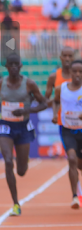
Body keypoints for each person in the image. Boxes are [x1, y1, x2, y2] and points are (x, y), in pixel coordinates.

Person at [0, 54, 48, 217]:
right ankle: (15, 203)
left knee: (21, 171)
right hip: (5, 126)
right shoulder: (1, 83)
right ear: (6, 67)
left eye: (16, 64)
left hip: (23, 127)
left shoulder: (29, 84)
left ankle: (23, 160)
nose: (13, 67)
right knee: (7, 161)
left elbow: (44, 104)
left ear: (21, 66)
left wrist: (26, 110)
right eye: (10, 64)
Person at [53, 59, 82, 209]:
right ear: (69, 73)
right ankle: (75, 195)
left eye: (80, 71)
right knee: (71, 159)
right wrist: (56, 114)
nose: (77, 74)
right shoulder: (61, 88)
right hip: (67, 129)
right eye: (74, 71)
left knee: (80, 163)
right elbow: (55, 101)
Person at [44, 47, 75, 127]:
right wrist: (56, 102)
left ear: (74, 58)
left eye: (70, 56)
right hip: (62, 120)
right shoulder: (53, 77)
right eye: (65, 56)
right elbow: (46, 100)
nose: (67, 58)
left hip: (79, 119)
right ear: (60, 58)